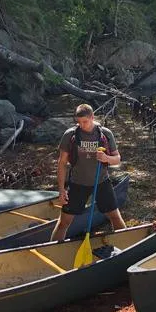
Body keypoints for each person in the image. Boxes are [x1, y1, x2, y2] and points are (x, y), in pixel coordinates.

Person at [50, 104, 126, 242]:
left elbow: (117, 160)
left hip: (101, 182)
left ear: (92, 117)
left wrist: (106, 158)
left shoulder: (105, 134)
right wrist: (61, 190)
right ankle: (52, 250)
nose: (82, 125)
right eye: (78, 122)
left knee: (115, 216)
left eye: (85, 121)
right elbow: (62, 163)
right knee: (63, 222)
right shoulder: (70, 135)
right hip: (77, 184)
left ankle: (127, 246)